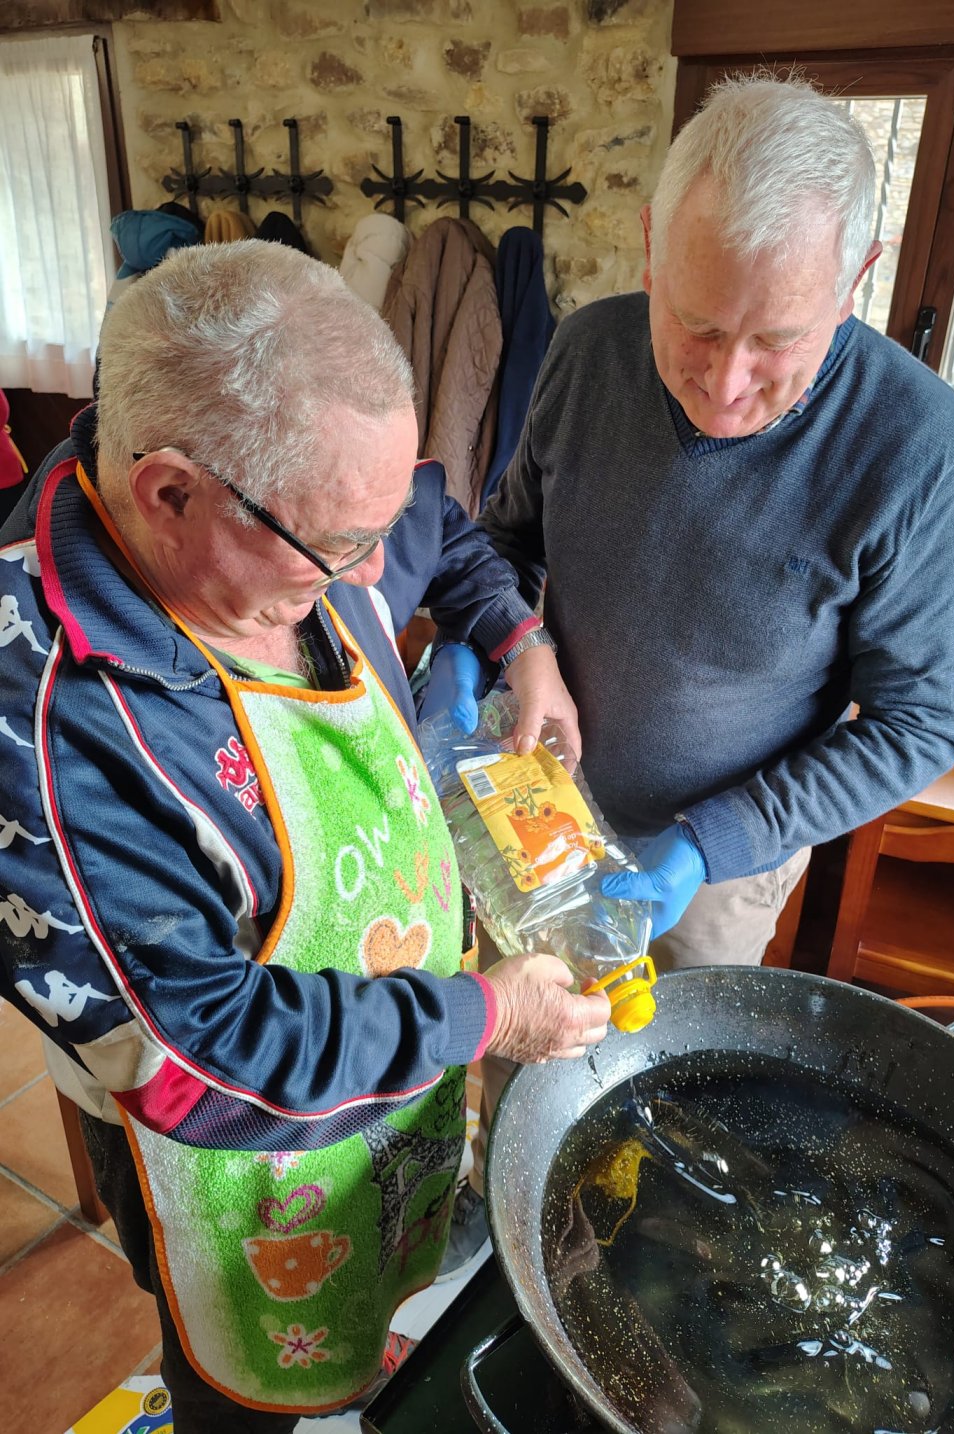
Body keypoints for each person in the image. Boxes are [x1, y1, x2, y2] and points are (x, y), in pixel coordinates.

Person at [0, 240, 610, 1432]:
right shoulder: (43, 724)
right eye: (336, 552)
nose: (374, 573)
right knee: (244, 1389)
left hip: (385, 1081)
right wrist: (483, 1018)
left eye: (376, 527)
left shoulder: (311, 498)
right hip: (238, 1154)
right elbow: (195, 1060)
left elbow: (443, 534)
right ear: (170, 492)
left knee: (365, 1285)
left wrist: (518, 639)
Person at [442, 72, 954, 1267]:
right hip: (543, 807)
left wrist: (706, 846)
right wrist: (496, 642)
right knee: (521, 1043)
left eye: (778, 342)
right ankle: (509, 1224)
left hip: (724, 850)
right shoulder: (587, 352)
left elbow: (917, 724)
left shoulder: (925, 453)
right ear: (650, 245)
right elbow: (502, 541)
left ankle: (628, 1261)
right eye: (694, 326)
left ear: (857, 279)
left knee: (657, 1098)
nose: (726, 381)